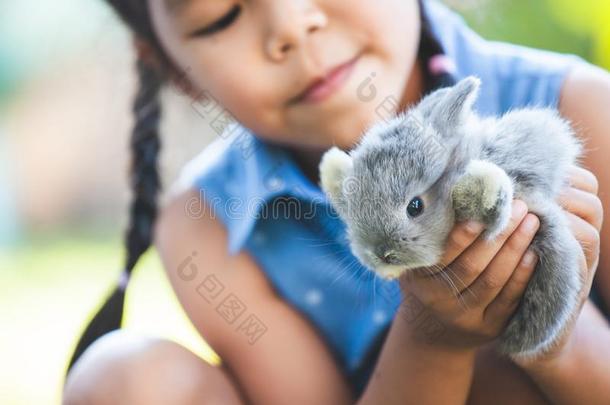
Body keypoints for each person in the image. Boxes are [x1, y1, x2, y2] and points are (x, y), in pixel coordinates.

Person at [62, 0, 610, 404]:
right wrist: (432, 335)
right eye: (222, 16)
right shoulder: (209, 225)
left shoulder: (580, 110)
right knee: (122, 381)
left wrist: (549, 330)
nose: (292, 28)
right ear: (175, 70)